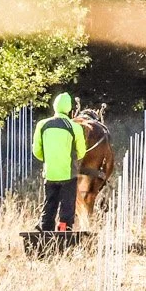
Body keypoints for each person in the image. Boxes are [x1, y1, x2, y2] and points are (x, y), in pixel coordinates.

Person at [33, 92, 89, 232]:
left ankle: (45, 231)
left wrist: (49, 159)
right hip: (68, 174)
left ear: (54, 106)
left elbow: (37, 151)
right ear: (69, 108)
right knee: (67, 207)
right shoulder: (74, 127)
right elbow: (81, 152)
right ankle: (63, 231)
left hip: (50, 173)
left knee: (49, 204)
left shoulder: (42, 125)